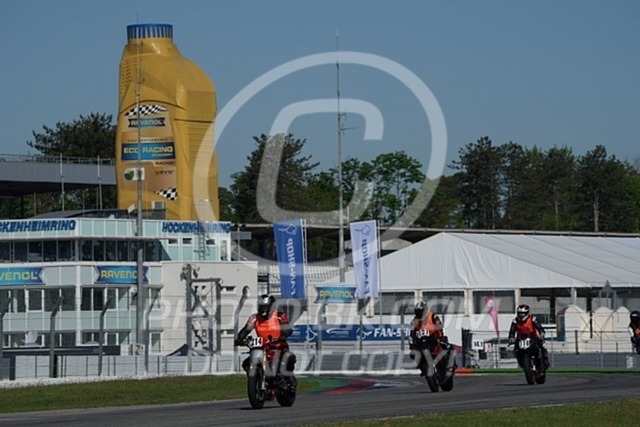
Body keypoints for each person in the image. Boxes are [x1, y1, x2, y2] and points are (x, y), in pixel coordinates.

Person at [234, 294, 296, 377]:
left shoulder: (280, 316)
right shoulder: (254, 318)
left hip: (278, 346)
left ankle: (287, 379)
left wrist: (284, 335)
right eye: (261, 307)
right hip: (262, 348)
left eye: (266, 307)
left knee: (287, 359)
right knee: (246, 363)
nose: (263, 309)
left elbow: (286, 328)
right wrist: (240, 339)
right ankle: (257, 379)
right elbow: (245, 330)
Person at [409, 301, 450, 373]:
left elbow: (439, 326)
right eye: (417, 312)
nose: (419, 313)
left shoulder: (432, 316)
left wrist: (440, 337)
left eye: (420, 311)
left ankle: (448, 366)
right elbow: (412, 334)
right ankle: (422, 367)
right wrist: (412, 344)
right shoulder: (414, 321)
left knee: (446, 347)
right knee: (413, 354)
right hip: (422, 343)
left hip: (434, 339)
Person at [508, 304, 550, 369]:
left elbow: (539, 327)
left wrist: (541, 333)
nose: (521, 315)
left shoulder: (532, 319)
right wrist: (511, 338)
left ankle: (545, 360)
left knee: (543, 345)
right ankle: (520, 361)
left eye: (523, 313)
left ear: (527, 313)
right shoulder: (515, 321)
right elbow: (512, 331)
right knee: (515, 349)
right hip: (520, 338)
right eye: (520, 313)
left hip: (533, 336)